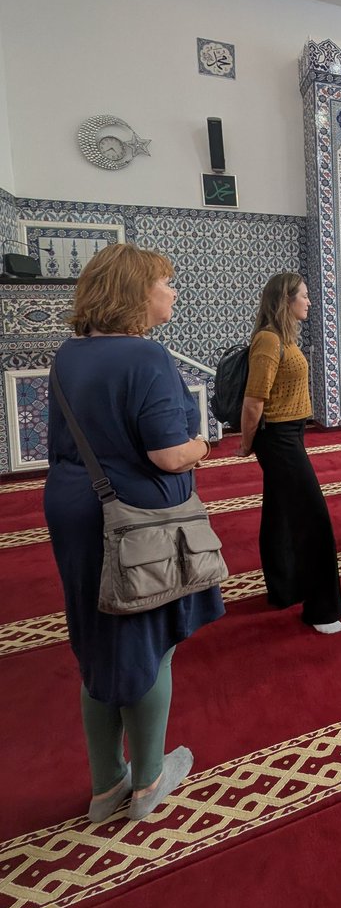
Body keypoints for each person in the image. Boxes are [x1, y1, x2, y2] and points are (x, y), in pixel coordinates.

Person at [44, 243, 224, 823]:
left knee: (96, 644)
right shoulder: (147, 358)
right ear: (134, 291)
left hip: (75, 505)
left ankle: (105, 786)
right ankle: (148, 783)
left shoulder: (68, 355)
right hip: (133, 523)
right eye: (165, 282)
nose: (173, 291)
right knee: (151, 645)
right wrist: (206, 444)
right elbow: (169, 454)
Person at [239, 272, 341, 633]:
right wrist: (246, 442)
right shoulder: (268, 340)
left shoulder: (284, 337)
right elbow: (254, 400)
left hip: (290, 434)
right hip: (277, 437)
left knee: (280, 514)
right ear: (286, 300)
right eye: (304, 295)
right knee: (313, 520)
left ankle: (284, 589)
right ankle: (321, 609)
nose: (309, 301)